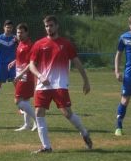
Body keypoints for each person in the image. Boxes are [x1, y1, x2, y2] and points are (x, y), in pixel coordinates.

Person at [29, 15, 93, 153]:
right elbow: (31, 65)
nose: (49, 28)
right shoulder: (39, 44)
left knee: (67, 113)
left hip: (60, 85)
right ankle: (46, 147)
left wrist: (86, 81)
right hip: (43, 85)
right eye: (46, 26)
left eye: (51, 25)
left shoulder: (66, 44)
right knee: (38, 112)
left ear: (57, 26)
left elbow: (77, 63)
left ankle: (84, 132)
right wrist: (40, 76)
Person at [8, 23, 37, 131]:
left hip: (25, 76)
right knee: (25, 100)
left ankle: (37, 120)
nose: (19, 34)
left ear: (26, 33)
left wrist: (20, 74)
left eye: (21, 32)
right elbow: (22, 58)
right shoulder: (20, 43)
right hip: (20, 74)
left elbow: (31, 63)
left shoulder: (29, 45)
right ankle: (27, 124)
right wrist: (14, 62)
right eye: (18, 32)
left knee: (18, 101)